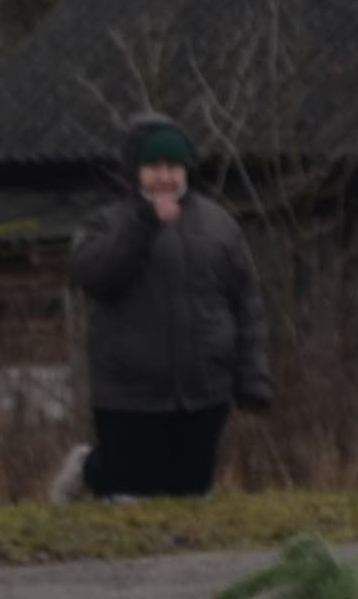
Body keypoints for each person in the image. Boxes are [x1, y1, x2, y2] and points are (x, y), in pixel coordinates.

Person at [68, 113, 269, 497]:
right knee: (133, 491)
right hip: (130, 392)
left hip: (205, 389)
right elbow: (96, 277)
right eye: (154, 167)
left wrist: (253, 377)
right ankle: (89, 474)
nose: (165, 177)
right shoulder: (106, 223)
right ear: (135, 172)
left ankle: (183, 559)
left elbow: (247, 303)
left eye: (173, 167)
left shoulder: (219, 226)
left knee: (191, 490)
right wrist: (145, 223)